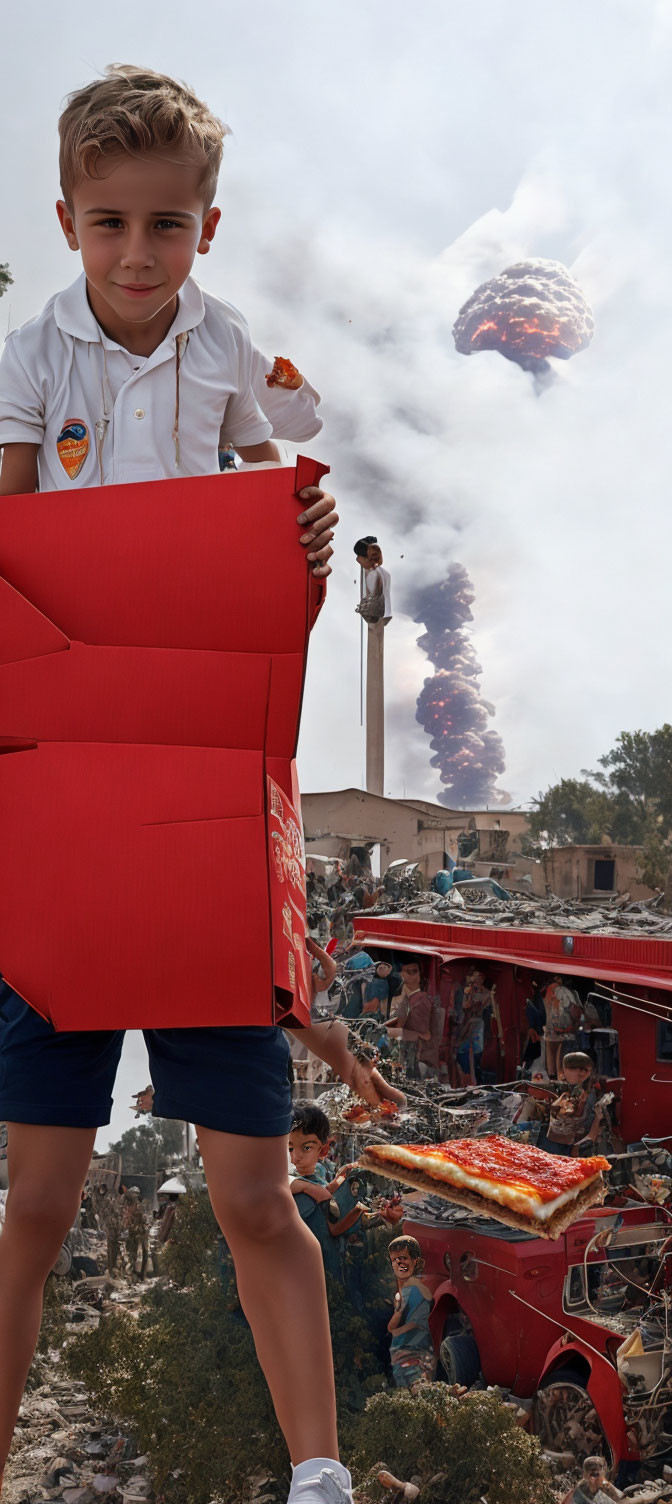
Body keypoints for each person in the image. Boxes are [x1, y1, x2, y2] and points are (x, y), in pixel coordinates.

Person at [0, 62, 365, 1504]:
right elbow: (17, 549)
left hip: (210, 814)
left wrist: (309, 544)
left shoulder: (230, 358)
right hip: (63, 814)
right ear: (67, 223)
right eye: (109, 224)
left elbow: (265, 567)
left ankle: (321, 1477)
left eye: (167, 224)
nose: (138, 253)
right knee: (34, 1201)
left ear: (206, 229)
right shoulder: (30, 358)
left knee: (253, 1196)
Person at [288, 1104, 357, 1213]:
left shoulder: (319, 1170)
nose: (296, 1157)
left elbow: (324, 1193)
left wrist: (336, 1183)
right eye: (290, 1148)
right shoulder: (292, 1181)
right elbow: (276, 1186)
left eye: (306, 1148)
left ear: (323, 1150)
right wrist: (309, 1188)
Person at [387, 1236, 436, 1389]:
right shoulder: (404, 1289)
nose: (399, 1264)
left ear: (415, 1261)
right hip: (401, 1354)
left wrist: (396, 1329)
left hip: (414, 1355)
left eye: (403, 1258)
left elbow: (418, 1324)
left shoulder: (417, 1290)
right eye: (394, 1260)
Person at [543, 1052, 606, 1157]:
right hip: (557, 1142)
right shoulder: (565, 1089)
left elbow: (590, 1136)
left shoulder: (589, 1098)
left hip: (568, 1145)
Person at [386, 962, 432, 1079]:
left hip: (411, 1054)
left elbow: (397, 1028)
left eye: (411, 972)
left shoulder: (416, 1000)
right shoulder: (411, 999)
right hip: (412, 1051)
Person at [453, 969, 491, 1085]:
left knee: (475, 1055)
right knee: (462, 1053)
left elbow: (485, 1002)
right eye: (474, 976)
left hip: (476, 1026)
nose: (476, 979)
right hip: (464, 1025)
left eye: (479, 977)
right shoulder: (466, 991)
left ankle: (474, 1080)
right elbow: (464, 1006)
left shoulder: (485, 993)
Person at [543, 975, 582, 1079]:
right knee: (563, 1074)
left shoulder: (544, 992)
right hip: (564, 1037)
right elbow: (576, 1015)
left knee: (551, 1074)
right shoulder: (562, 991)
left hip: (549, 1037)